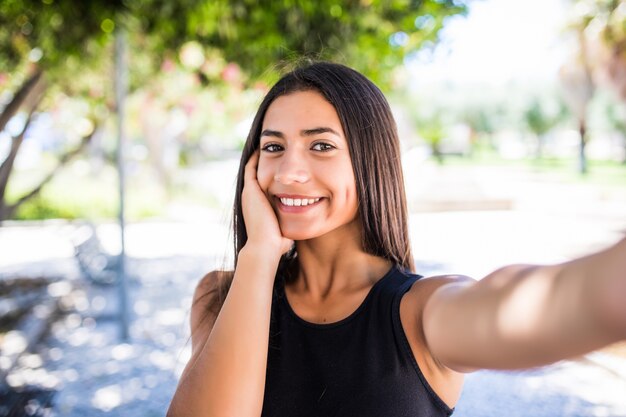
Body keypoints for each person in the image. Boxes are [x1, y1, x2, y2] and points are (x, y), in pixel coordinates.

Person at [167, 62, 626, 417]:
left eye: (321, 145)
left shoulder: (421, 311)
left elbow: (537, 303)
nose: (289, 172)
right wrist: (260, 255)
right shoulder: (220, 294)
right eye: (273, 147)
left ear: (371, 162)